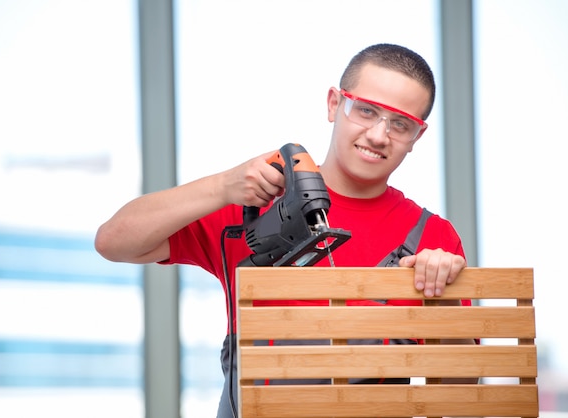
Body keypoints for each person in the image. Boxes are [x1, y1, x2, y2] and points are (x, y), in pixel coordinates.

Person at [95, 43, 475, 418]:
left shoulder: (432, 239)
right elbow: (114, 242)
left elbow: (460, 397)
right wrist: (221, 187)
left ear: (417, 137)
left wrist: (446, 301)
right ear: (333, 104)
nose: (378, 135)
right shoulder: (256, 206)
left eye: (400, 124)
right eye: (365, 111)